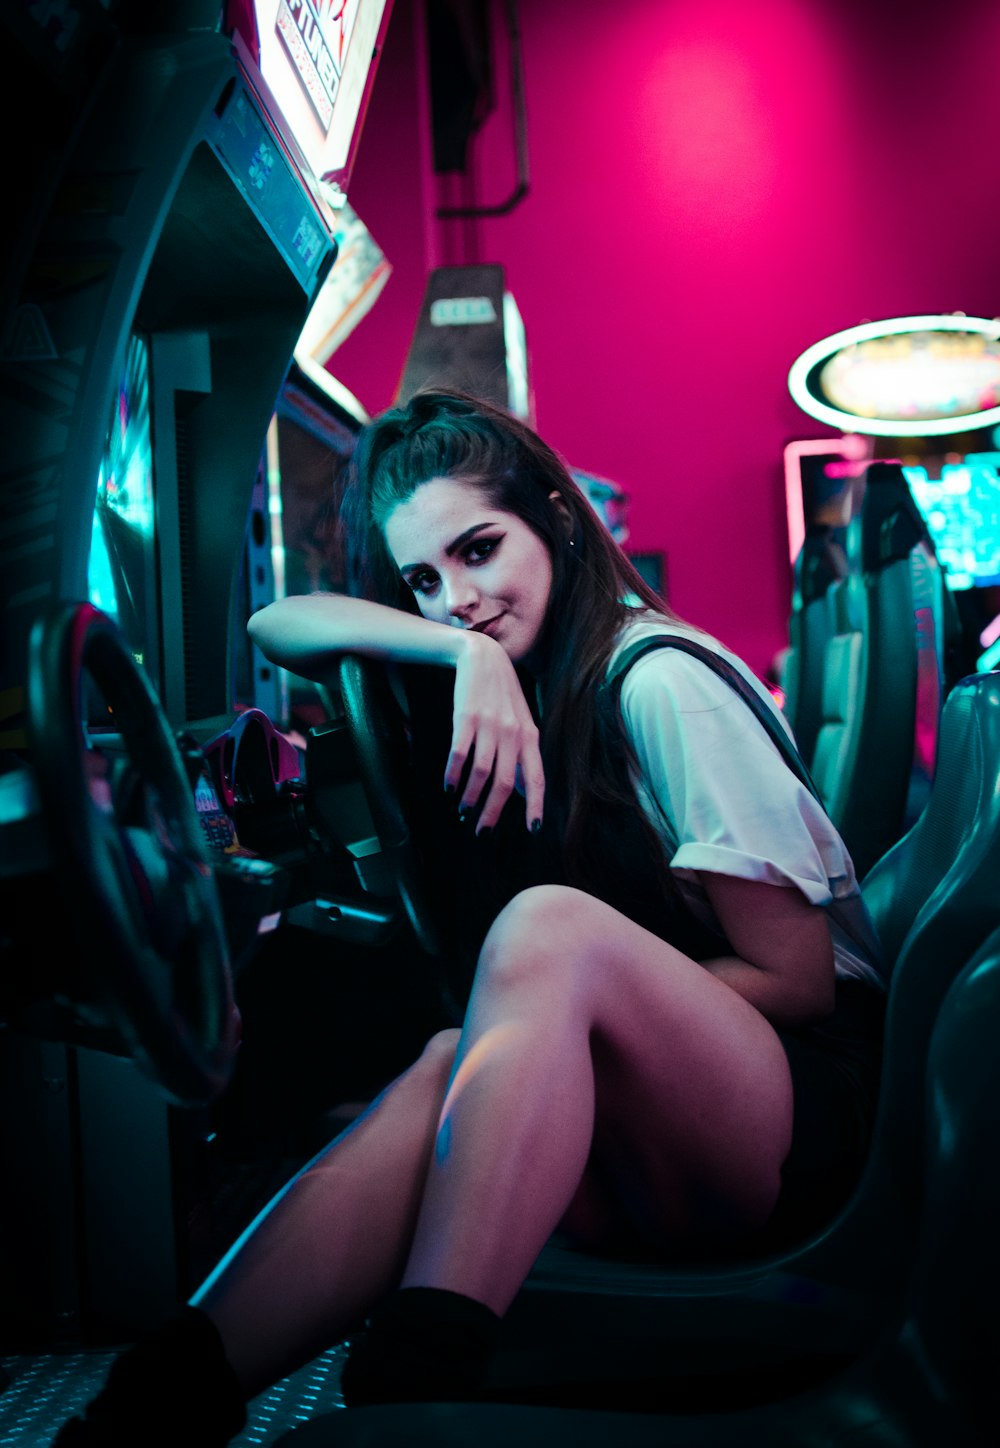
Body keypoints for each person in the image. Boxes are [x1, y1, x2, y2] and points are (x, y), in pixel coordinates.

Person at [57, 388, 886, 1443]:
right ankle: (144, 1414)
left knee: (541, 934)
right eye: (423, 580)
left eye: (480, 549)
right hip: (681, 1119)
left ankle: (417, 1382)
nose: (459, 597)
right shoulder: (511, 668)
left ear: (551, 510)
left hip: (797, 1121)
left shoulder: (656, 678)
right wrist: (464, 654)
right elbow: (281, 623)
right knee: (461, 1050)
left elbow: (800, 979)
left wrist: (555, 999)